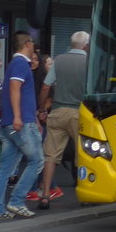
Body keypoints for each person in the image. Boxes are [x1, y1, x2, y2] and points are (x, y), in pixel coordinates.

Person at [0, 32, 44, 219]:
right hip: (20, 123)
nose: (34, 47)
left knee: (5, 168)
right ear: (27, 44)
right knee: (37, 161)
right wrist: (19, 117)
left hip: (9, 123)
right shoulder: (21, 64)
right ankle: (17, 201)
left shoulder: (15, 64)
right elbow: (15, 88)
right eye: (33, 44)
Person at [35, 31, 88, 210]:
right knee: (83, 155)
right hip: (79, 113)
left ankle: (45, 195)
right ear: (86, 46)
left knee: (50, 155)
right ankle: (85, 193)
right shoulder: (89, 62)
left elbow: (45, 86)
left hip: (57, 111)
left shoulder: (59, 60)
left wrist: (42, 109)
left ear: (72, 44)